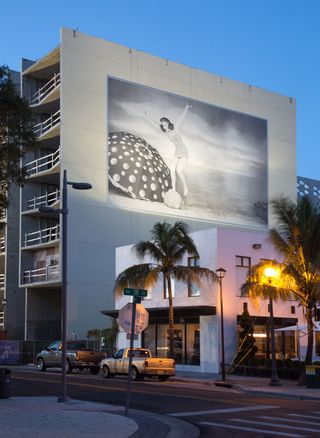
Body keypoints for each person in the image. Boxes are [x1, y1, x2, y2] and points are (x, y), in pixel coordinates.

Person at [145, 103, 191, 208]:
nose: (163, 125)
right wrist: (147, 117)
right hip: (176, 152)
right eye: (162, 124)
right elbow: (154, 124)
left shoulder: (175, 127)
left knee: (179, 170)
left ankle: (185, 187)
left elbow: (182, 117)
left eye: (165, 122)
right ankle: (173, 189)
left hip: (183, 151)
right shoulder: (165, 132)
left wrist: (186, 107)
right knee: (171, 169)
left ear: (168, 122)